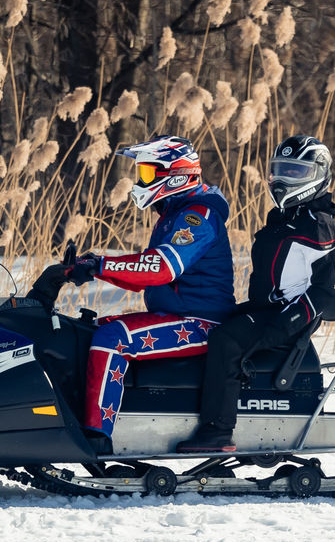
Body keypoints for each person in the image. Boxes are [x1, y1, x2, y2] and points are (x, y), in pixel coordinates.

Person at [176, 135, 335, 453]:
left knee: (226, 340)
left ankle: (218, 432)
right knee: (212, 322)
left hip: (287, 318)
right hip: (266, 309)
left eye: (296, 172)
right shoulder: (286, 218)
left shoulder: (318, 225)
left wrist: (284, 325)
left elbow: (324, 290)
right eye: (280, 170)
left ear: (318, 174)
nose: (283, 179)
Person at [68, 136, 236, 442]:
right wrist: (92, 267)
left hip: (200, 323)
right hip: (177, 315)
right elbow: (147, 273)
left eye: (147, 173)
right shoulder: (174, 213)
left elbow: (160, 267)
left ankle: (96, 437)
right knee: (87, 330)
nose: (141, 180)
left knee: (113, 338)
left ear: (176, 175)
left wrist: (101, 265)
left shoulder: (197, 216)